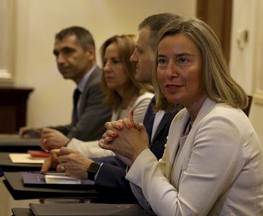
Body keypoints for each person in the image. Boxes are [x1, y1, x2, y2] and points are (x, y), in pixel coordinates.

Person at [99, 17, 263, 215]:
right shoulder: (182, 118)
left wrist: (140, 154)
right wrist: (131, 157)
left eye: (182, 60)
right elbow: (153, 201)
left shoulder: (221, 123)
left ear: (208, 66)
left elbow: (181, 213)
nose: (168, 72)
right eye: (162, 61)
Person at [41, 13, 180, 203]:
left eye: (139, 51)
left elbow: (150, 177)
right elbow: (130, 163)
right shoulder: (154, 102)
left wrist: (89, 166)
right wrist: (76, 161)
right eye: (106, 61)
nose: (133, 58)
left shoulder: (170, 108)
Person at [41, 34, 153, 195]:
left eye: (115, 62)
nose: (106, 68)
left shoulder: (144, 102)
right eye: (105, 61)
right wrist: (69, 155)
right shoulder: (120, 102)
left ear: (132, 63)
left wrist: (70, 148)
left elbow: (118, 152)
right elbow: (105, 144)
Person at [19, 26, 112, 148]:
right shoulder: (86, 85)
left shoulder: (100, 84)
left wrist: (49, 136)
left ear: (90, 53)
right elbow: (75, 126)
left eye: (68, 51)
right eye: (57, 54)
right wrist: (41, 132)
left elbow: (81, 135)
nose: (60, 60)